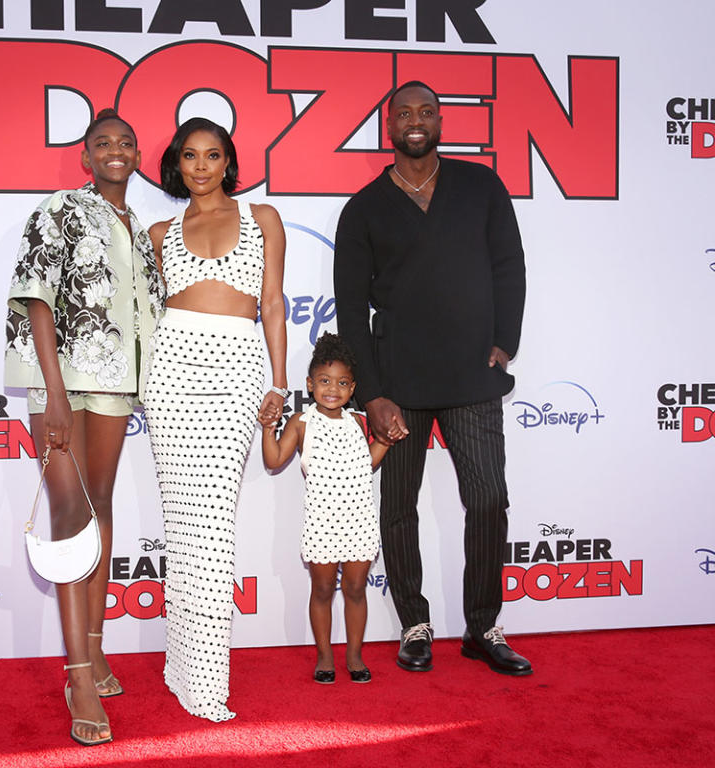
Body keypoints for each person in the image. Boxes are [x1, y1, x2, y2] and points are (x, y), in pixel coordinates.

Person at [333, 81, 532, 676]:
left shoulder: (481, 186)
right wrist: (371, 392)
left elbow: (509, 265)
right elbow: (350, 310)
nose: (415, 122)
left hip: (473, 373)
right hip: (398, 386)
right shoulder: (363, 209)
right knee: (397, 507)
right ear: (387, 126)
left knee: (489, 500)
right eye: (403, 114)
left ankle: (483, 627)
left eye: (425, 112)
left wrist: (506, 342)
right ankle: (414, 623)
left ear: (441, 121)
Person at [4, 109, 166, 745]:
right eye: (103, 144)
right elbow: (36, 299)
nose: (117, 151)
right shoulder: (60, 210)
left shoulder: (140, 226)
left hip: (118, 386)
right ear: (86, 157)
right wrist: (50, 394)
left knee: (98, 509)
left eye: (126, 142)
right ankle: (76, 678)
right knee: (71, 519)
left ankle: (94, 651)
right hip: (65, 385)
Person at [144, 117, 288, 721]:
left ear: (229, 161)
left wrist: (280, 382)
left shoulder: (264, 219)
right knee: (184, 527)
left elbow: (274, 303)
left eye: (212, 155)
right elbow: (148, 317)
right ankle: (186, 667)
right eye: (189, 157)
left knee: (213, 526)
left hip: (235, 372)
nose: (200, 166)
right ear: (177, 165)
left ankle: (201, 674)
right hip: (172, 373)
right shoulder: (157, 231)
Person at [261, 332, 388, 684]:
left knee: (355, 590)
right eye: (325, 381)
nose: (333, 389)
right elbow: (273, 460)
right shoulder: (301, 423)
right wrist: (268, 426)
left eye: (343, 383)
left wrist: (386, 441)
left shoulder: (359, 422)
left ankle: (355, 656)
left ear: (353, 388)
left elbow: (368, 465)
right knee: (321, 591)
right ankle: (325, 657)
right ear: (310, 383)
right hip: (322, 523)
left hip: (360, 521)